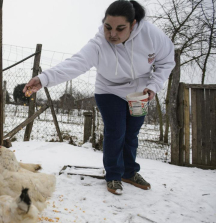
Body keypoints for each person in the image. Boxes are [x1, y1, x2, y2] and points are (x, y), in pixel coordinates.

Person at [23, 0, 175, 195]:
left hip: (139, 92)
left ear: (133, 24)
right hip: (109, 90)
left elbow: (166, 62)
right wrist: (43, 79)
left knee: (132, 133)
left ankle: (129, 172)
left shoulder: (152, 36)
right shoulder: (99, 43)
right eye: (108, 27)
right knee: (116, 131)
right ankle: (113, 175)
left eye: (120, 29)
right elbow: (75, 64)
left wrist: (153, 86)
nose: (112, 34)